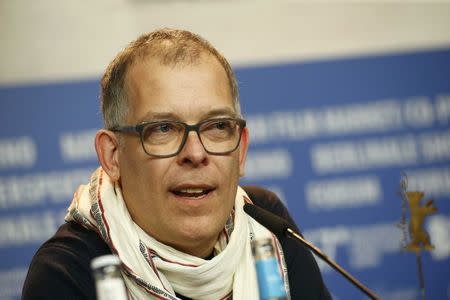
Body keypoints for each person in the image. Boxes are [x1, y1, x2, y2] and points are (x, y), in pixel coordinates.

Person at [22, 28, 331, 300]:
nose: (195, 153)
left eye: (217, 126)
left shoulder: (265, 224)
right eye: (163, 129)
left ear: (241, 151)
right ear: (113, 155)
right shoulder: (67, 272)